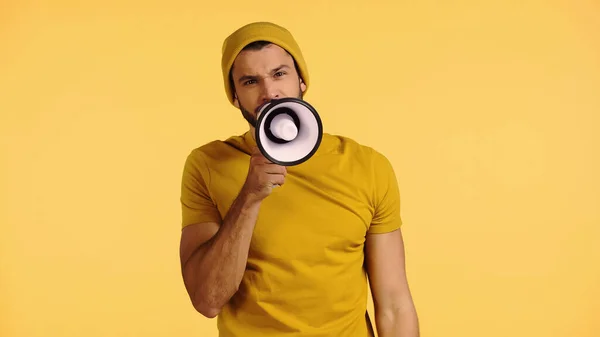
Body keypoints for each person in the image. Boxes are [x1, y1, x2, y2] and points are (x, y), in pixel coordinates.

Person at [178, 21, 419, 337]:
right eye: (251, 81)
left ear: (302, 80)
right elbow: (207, 300)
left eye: (280, 74)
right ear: (235, 96)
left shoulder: (367, 166)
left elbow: (394, 304)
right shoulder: (208, 164)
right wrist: (249, 197)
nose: (270, 92)